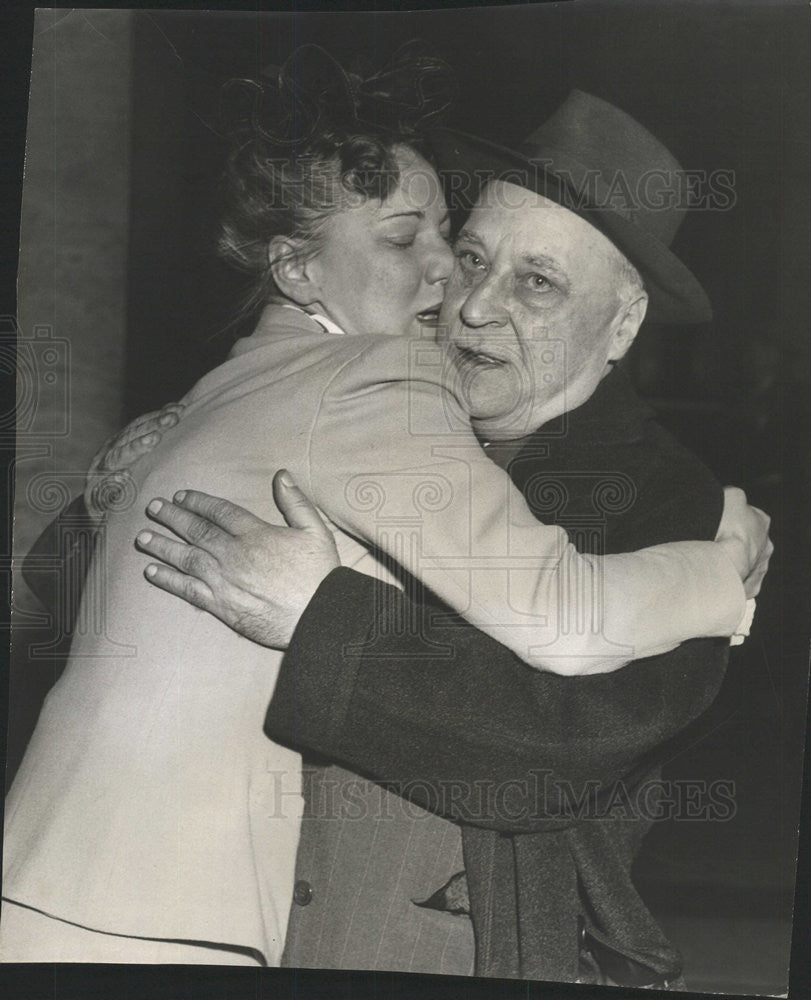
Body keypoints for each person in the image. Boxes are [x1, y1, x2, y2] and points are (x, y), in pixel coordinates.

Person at [1, 50, 762, 968]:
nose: (470, 303)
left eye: (536, 283)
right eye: (470, 256)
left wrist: (315, 617)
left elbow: (552, 751)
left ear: (625, 324)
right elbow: (76, 596)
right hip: (214, 920)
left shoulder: (667, 497)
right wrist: (115, 485)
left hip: (422, 945)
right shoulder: (363, 391)